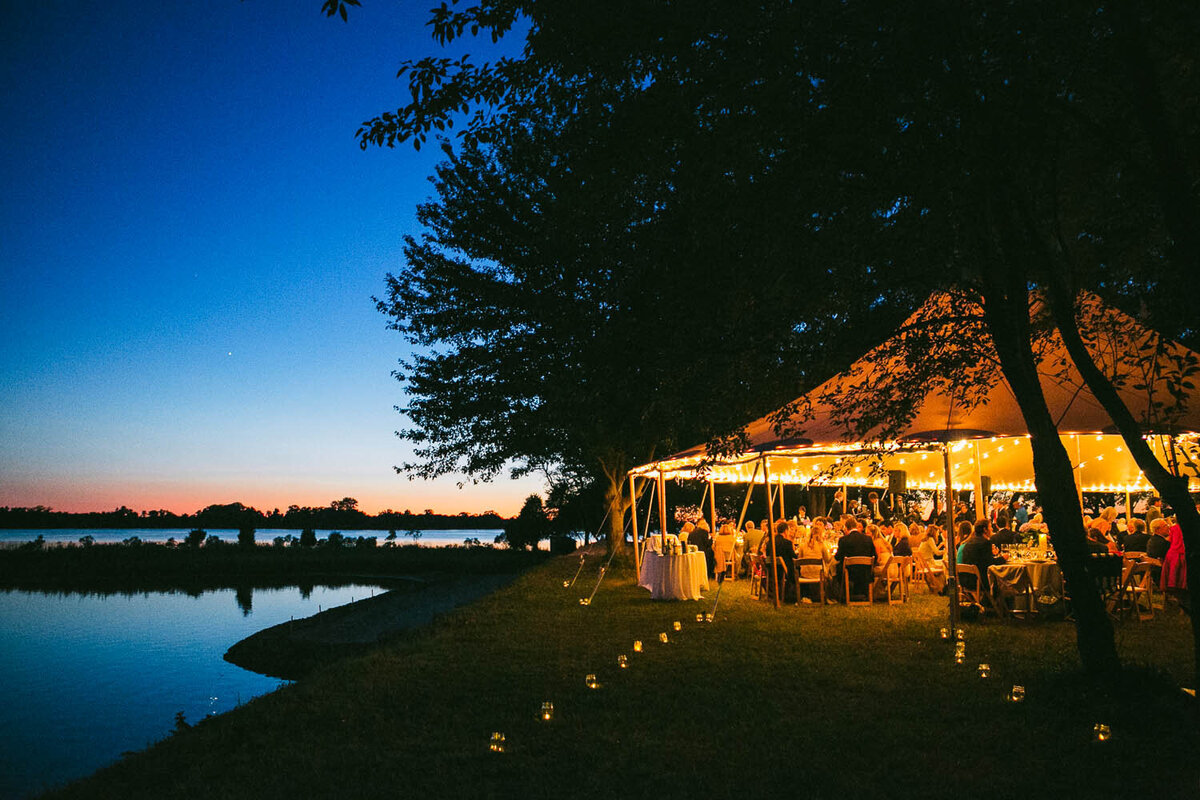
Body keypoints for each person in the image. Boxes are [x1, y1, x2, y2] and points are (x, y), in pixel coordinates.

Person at [958, 518, 1004, 596]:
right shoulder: (985, 543)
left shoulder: (969, 543)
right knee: (1004, 582)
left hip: (965, 580)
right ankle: (1004, 605)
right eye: (990, 527)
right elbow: (989, 564)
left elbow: (981, 560)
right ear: (985, 529)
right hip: (979, 582)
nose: (992, 529)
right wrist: (1003, 558)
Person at [835, 517, 876, 600]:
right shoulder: (868, 539)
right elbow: (874, 556)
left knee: (836, 568)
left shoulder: (843, 540)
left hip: (849, 572)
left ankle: (841, 595)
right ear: (856, 526)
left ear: (846, 527)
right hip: (865, 571)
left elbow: (838, 557)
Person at [796, 526, 830, 603]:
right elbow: (827, 559)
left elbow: (799, 559)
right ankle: (826, 596)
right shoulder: (822, 545)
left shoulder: (802, 545)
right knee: (829, 572)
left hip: (805, 574)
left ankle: (806, 596)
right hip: (819, 574)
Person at [1161, 518, 1187, 594]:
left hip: (1173, 552)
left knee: (1173, 573)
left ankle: (1172, 588)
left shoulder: (1173, 528)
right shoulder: (1191, 528)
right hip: (1183, 552)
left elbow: (1171, 540)